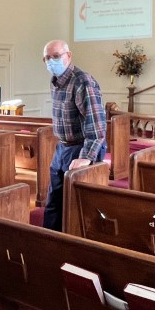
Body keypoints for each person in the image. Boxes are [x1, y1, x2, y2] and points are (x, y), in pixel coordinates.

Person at [41, 40, 107, 232]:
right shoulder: (55, 81)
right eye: (47, 58)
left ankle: (73, 243)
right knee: (54, 201)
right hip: (63, 147)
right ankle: (48, 240)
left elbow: (96, 124)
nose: (51, 61)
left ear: (68, 56)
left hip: (82, 147)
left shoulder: (82, 81)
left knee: (76, 205)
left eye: (56, 56)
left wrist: (86, 157)